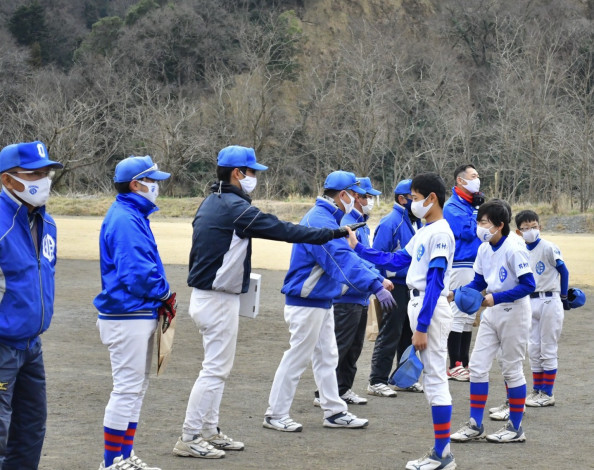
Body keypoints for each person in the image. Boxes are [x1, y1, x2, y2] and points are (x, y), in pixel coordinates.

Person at [174, 148, 361, 458]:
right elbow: (283, 229)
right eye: (252, 172)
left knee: (217, 368)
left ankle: (209, 429)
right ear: (237, 173)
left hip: (211, 296)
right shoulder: (235, 207)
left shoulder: (212, 201)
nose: (255, 178)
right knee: (215, 370)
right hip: (217, 298)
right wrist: (333, 233)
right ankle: (190, 434)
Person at [264, 171, 394, 433]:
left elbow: (348, 256)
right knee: (298, 357)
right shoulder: (320, 221)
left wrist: (374, 280)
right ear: (343, 194)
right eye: (355, 194)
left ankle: (333, 410)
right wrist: (374, 283)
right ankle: (275, 414)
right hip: (307, 301)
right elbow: (341, 260)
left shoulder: (329, 218)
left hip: (319, 299)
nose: (358, 199)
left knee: (328, 356)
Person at [346, 172, 457, 470]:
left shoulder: (441, 232)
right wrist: (359, 248)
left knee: (435, 381)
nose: (412, 203)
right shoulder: (424, 231)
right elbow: (397, 261)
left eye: (417, 198)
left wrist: (421, 327)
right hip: (420, 303)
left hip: (429, 309)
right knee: (433, 381)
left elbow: (435, 281)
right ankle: (441, 452)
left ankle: (442, 455)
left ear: (432, 198)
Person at [94, 155, 176, 470]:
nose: (156, 186)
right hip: (126, 314)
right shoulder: (126, 218)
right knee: (127, 388)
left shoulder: (132, 214)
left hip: (133, 313)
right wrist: (165, 293)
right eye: (151, 180)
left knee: (135, 388)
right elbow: (137, 273)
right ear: (135, 184)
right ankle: (112, 461)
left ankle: (124, 457)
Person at [451, 200, 535, 444]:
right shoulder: (484, 248)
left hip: (515, 313)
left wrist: (494, 297)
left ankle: (515, 428)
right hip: (492, 313)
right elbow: (478, 282)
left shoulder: (514, 248)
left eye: (484, 222)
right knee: (476, 367)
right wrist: (457, 293)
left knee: (512, 370)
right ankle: (475, 424)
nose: (479, 227)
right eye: (478, 221)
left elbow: (528, 285)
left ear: (499, 225)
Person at [0, 141, 63, 470]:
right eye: (34, 173)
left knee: (30, 429)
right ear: (7, 180)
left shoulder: (47, 223)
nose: (44, 179)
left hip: (31, 345)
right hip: (2, 347)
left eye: (46, 172)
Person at [313, 176, 383, 408]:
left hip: (360, 294)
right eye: (365, 196)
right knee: (338, 347)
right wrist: (377, 281)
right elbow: (348, 259)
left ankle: (343, 389)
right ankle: (323, 392)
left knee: (353, 348)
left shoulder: (359, 221)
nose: (368, 200)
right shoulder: (344, 221)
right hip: (346, 295)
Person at [367, 178, 423, 398]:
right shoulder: (391, 222)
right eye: (414, 198)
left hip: (408, 286)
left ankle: (402, 378)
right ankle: (377, 380)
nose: (417, 203)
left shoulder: (415, 222)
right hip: (393, 286)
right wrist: (380, 285)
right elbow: (377, 256)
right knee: (390, 333)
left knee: (407, 334)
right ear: (402, 199)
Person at [516, 210, 569, 407]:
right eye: (525, 228)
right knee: (534, 347)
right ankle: (537, 390)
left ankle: (547, 392)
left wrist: (564, 296)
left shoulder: (548, 247)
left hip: (549, 298)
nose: (530, 230)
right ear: (518, 231)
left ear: (540, 226)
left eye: (534, 226)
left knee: (548, 346)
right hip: (530, 301)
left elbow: (563, 270)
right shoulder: (520, 249)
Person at [443, 164, 483, 382]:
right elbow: (468, 232)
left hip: (473, 264)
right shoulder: (452, 206)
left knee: (468, 315)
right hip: (460, 264)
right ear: (460, 180)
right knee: (458, 312)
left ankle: (464, 363)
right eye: (473, 176)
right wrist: (478, 212)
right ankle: (454, 364)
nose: (477, 180)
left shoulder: (468, 204)